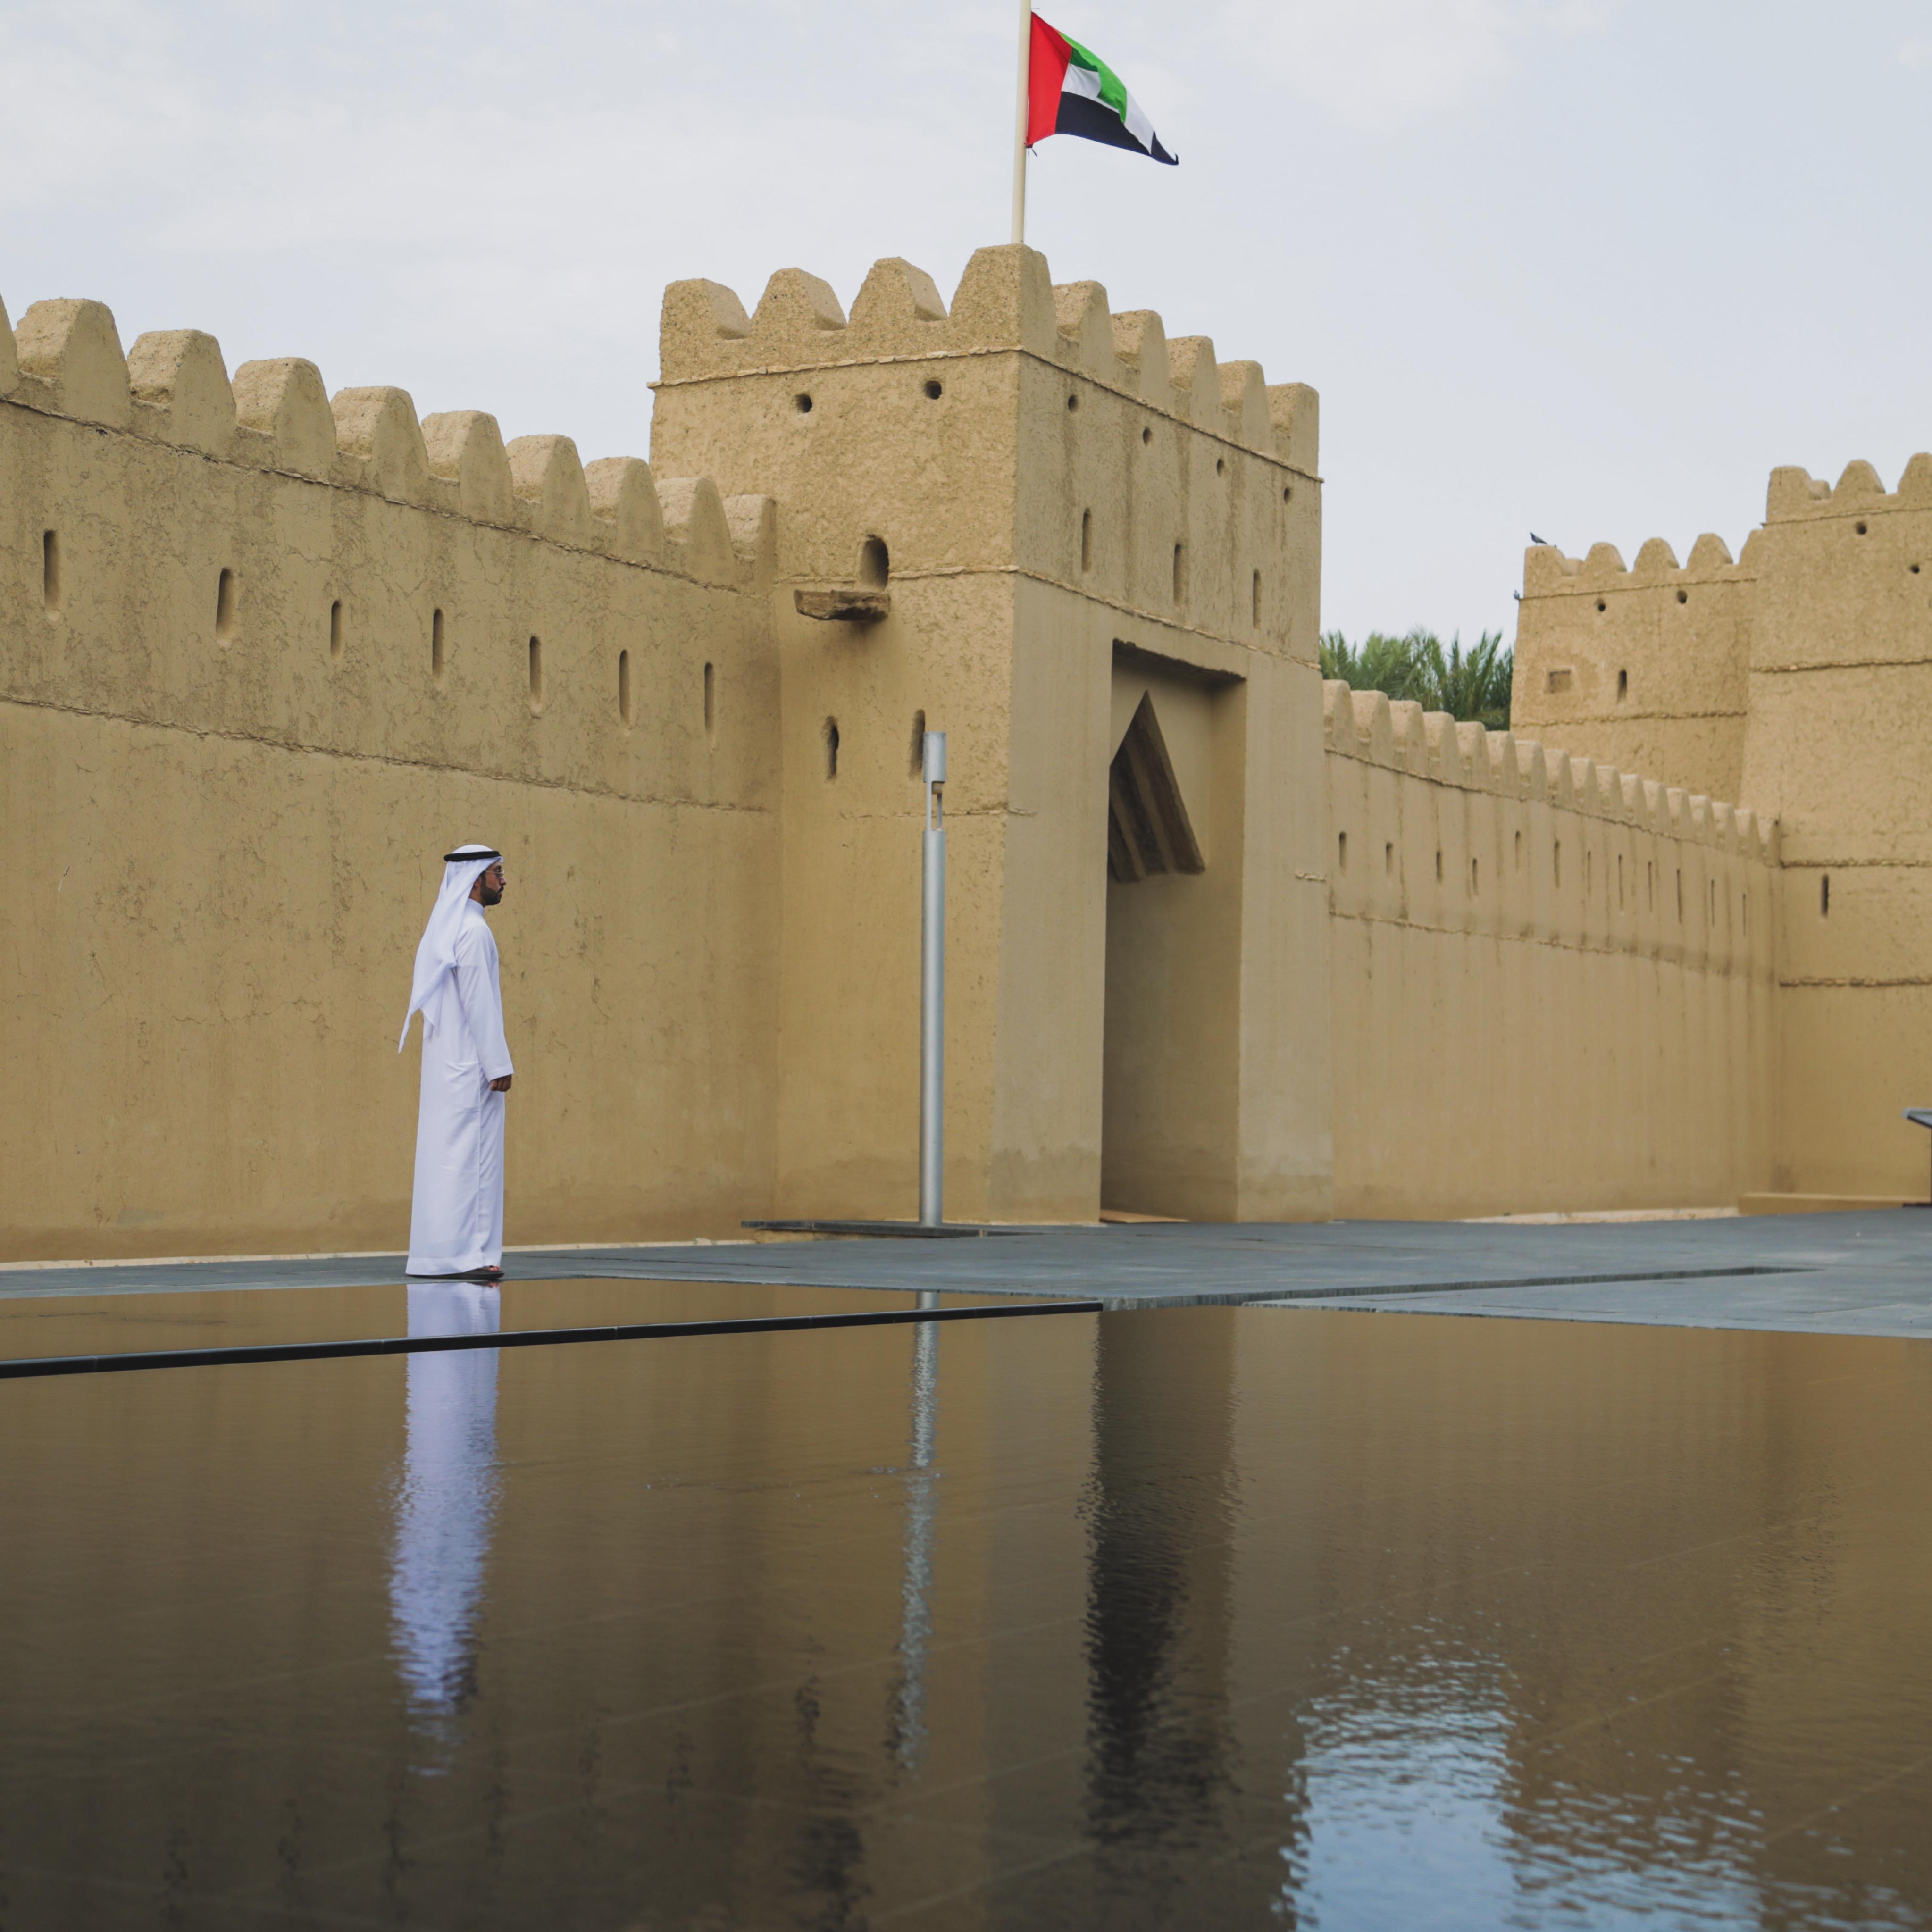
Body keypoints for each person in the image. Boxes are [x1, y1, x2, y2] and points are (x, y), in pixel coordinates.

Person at [399, 845, 515, 1280]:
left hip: (446, 1067)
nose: (503, 881)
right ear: (475, 879)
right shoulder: (473, 931)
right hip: (471, 1066)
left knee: (446, 1161)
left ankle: (437, 1256)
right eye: (497, 872)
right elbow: (479, 1002)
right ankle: (469, 1256)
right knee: (473, 1162)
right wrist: (498, 1063)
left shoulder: (447, 930)